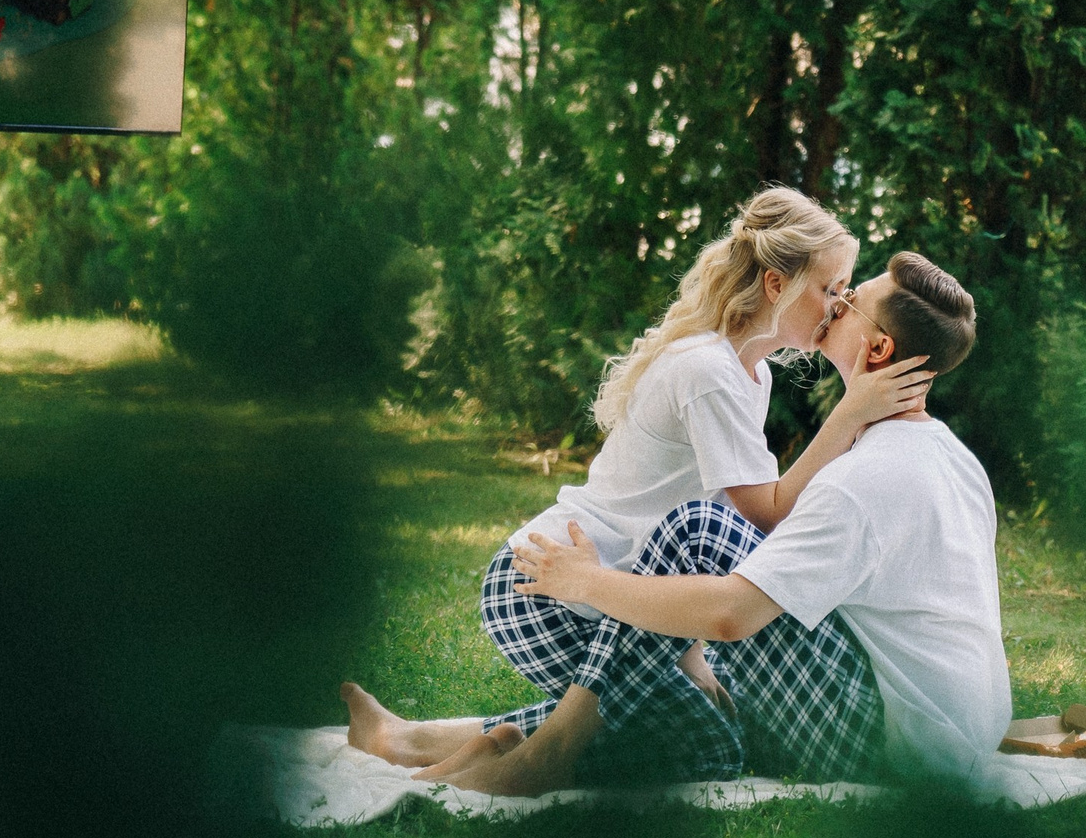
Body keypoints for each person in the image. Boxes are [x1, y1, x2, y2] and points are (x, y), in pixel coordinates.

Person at [357, 250, 1005, 794]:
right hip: (942, 736)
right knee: (691, 707)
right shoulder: (953, 458)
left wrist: (586, 581)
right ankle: (422, 740)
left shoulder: (865, 478)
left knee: (698, 531)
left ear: (879, 346)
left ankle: (545, 754)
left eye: (852, 300)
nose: (838, 302)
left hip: (887, 747)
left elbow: (732, 615)